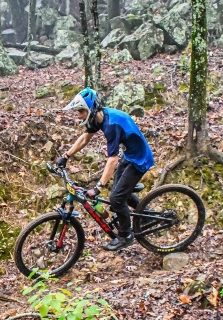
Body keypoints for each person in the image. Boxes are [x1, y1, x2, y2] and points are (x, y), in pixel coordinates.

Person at [55, 88, 155, 251]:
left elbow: (112, 159)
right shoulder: (98, 117)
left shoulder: (111, 124)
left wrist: (99, 186)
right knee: (120, 193)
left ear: (91, 108)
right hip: (130, 155)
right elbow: (85, 139)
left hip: (140, 159)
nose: (79, 115)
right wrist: (66, 156)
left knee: (116, 198)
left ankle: (126, 235)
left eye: (81, 111)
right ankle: (146, 215)